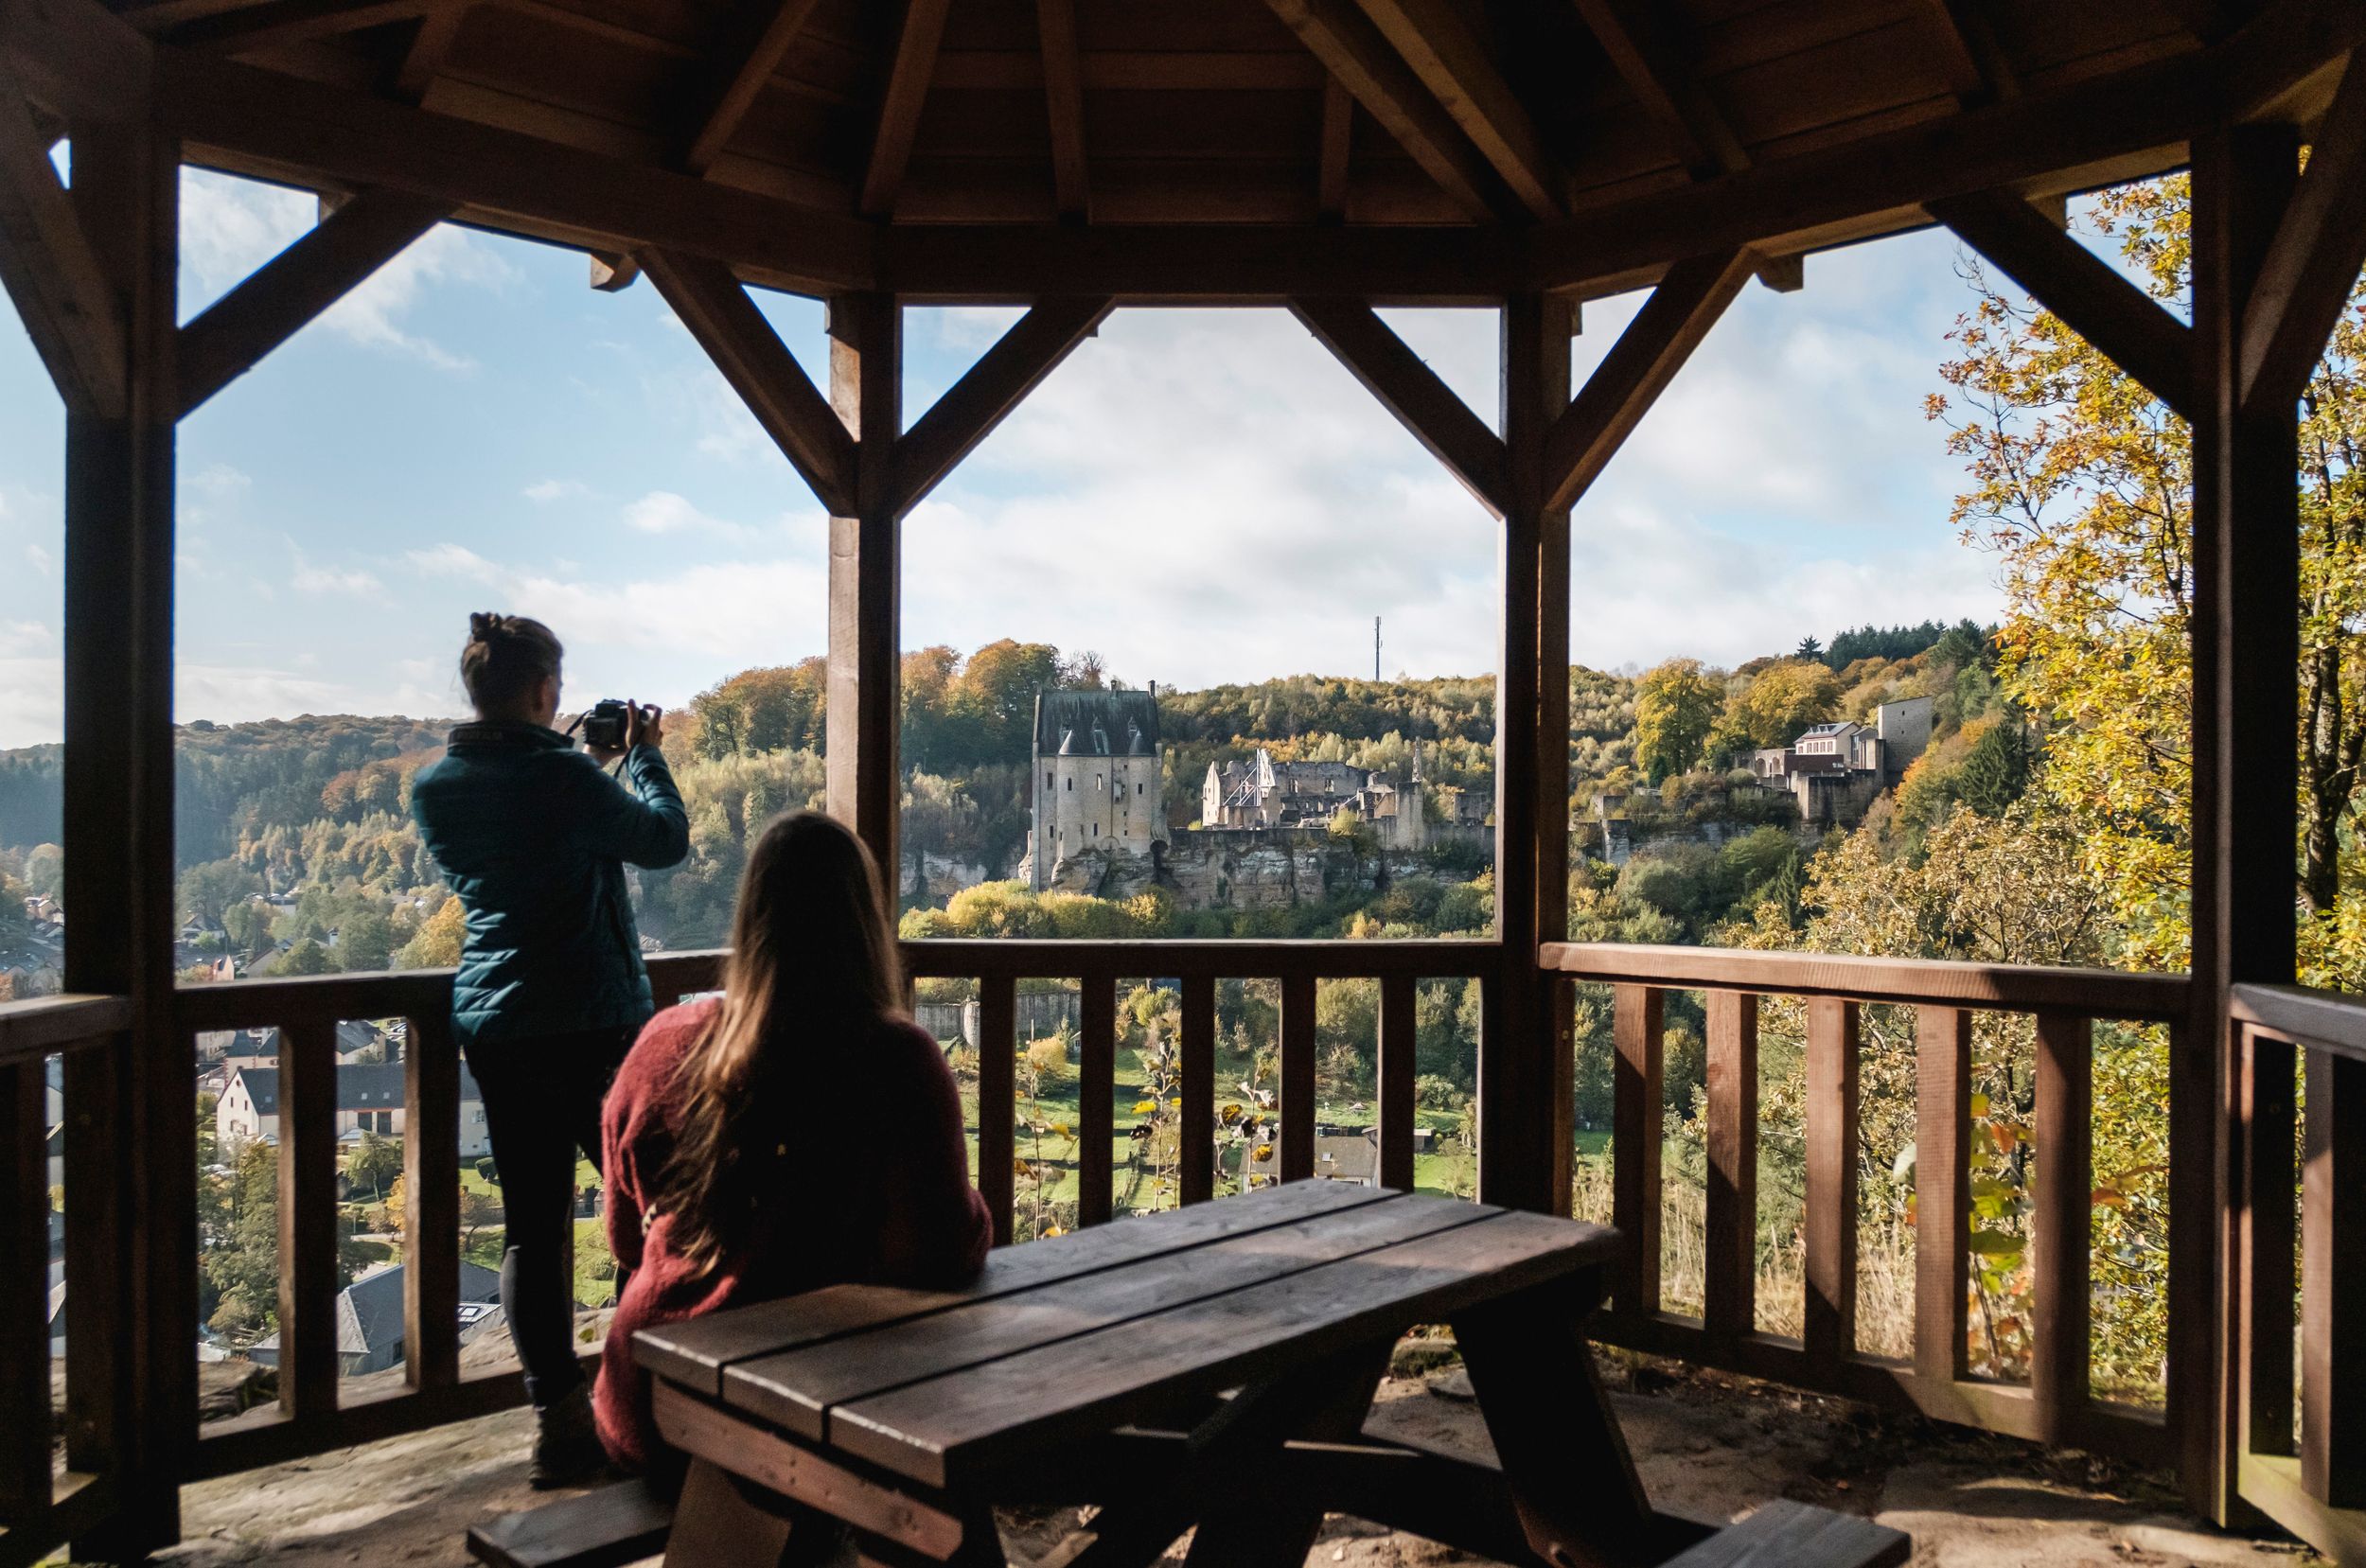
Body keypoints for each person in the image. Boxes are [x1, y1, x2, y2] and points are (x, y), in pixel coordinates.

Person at [593, 811, 991, 1483]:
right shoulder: (894, 1060)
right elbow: (935, 1249)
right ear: (866, 921)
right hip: (809, 1417)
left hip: (652, 1403)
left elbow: (625, 1240)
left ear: (748, 919)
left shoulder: (664, 1043)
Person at [410, 612, 689, 1486]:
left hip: (498, 1025)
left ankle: (556, 1416)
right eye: (557, 689)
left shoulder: (437, 787)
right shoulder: (564, 776)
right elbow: (662, 841)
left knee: (532, 1225)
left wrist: (582, 771)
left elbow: (528, 849)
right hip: (590, 1016)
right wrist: (644, 754)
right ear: (541, 690)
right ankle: (657, 1398)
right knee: (655, 1205)